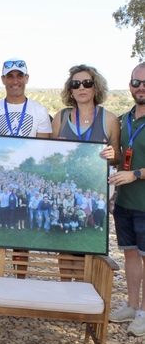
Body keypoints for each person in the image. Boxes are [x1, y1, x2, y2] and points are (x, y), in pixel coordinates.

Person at [0, 58, 52, 278]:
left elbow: (43, 149)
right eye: (10, 76)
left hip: (23, 175)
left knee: (21, 232)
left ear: (26, 79)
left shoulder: (39, 111)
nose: (15, 81)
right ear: (3, 80)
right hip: (1, 175)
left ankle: (20, 282)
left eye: (19, 76)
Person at [52, 64, 120, 281]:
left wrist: (111, 153)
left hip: (93, 190)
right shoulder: (61, 118)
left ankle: (82, 296)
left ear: (95, 88)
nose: (81, 87)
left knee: (87, 245)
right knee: (64, 243)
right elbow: (52, 155)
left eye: (87, 83)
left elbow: (118, 155)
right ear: (70, 90)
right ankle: (66, 293)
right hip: (66, 190)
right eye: (76, 83)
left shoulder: (109, 119)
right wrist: (57, 149)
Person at [108, 62, 145, 337]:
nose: (140, 88)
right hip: (124, 203)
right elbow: (120, 156)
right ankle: (132, 306)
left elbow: (132, 170)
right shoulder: (124, 119)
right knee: (131, 255)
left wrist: (135, 174)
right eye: (136, 83)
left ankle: (144, 314)